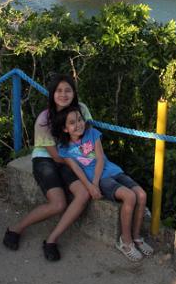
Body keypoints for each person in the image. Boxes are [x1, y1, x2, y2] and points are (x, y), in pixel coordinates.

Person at [2, 74, 91, 261]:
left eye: (68, 90)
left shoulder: (82, 110)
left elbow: (88, 138)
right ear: (52, 94)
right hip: (47, 159)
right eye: (59, 91)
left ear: (74, 93)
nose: (64, 94)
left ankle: (51, 240)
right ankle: (15, 229)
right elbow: (56, 156)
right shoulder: (44, 119)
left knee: (83, 194)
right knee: (58, 204)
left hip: (71, 158)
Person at [51, 105, 153, 262]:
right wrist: (91, 187)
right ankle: (125, 242)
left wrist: (95, 182)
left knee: (142, 195)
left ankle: (137, 237)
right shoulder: (64, 148)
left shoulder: (92, 133)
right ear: (65, 129)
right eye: (72, 123)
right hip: (101, 180)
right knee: (130, 197)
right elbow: (77, 170)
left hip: (111, 171)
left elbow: (100, 158)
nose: (78, 124)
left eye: (79, 119)